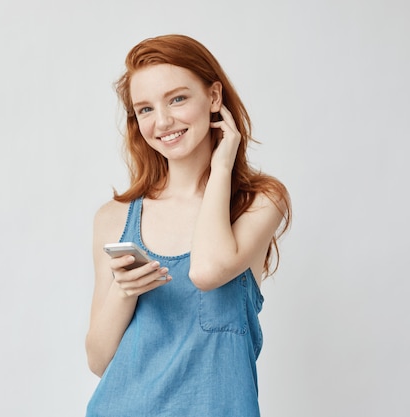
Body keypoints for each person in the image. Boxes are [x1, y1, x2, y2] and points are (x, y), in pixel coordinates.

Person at [85, 34, 291, 417]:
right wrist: (123, 292)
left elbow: (208, 270)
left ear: (214, 98)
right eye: (145, 109)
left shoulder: (260, 202)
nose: (162, 121)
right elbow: (98, 360)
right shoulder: (114, 217)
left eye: (177, 99)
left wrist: (222, 168)